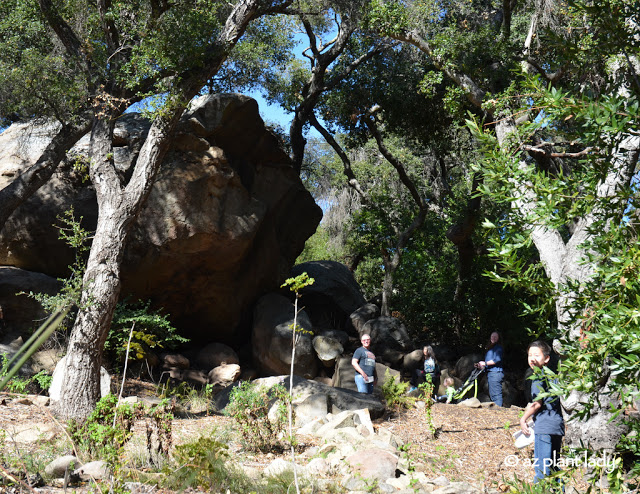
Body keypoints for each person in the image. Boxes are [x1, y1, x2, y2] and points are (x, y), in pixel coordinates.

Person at [520, 340, 565, 485]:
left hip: (544, 428)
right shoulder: (553, 376)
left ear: (546, 358)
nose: (532, 358)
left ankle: (540, 489)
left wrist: (524, 418)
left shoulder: (538, 376)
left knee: (542, 467)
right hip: (557, 426)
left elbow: (537, 403)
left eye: (536, 355)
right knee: (554, 466)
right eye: (529, 355)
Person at [475, 331, 504, 406]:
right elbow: (489, 362)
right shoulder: (491, 347)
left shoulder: (498, 347)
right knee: (493, 394)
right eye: (492, 336)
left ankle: (498, 411)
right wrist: (481, 365)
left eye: (495, 337)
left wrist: (485, 363)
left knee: (496, 395)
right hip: (490, 373)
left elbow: (497, 360)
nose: (493, 338)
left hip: (496, 373)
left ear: (498, 338)